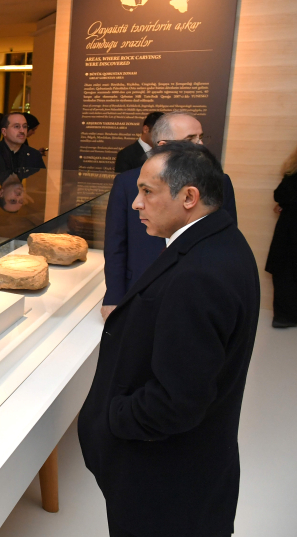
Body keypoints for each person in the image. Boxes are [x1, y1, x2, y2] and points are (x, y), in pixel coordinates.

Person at [79, 141, 260, 537]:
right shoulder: (220, 241)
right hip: (191, 474)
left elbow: (177, 402)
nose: (135, 204)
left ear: (189, 197)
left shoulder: (199, 274)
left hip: (166, 487)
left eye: (147, 192)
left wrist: (113, 418)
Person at [102, 112, 237, 319]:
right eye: (190, 139)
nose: (200, 144)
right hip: (140, 285)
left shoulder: (220, 182)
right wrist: (113, 296)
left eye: (201, 137)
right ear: (163, 145)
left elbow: (227, 240)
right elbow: (116, 242)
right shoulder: (127, 183)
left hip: (196, 291)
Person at [266, 145, 297, 328]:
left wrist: (285, 205)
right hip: (290, 228)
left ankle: (284, 317)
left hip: (288, 230)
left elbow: (281, 194)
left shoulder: (292, 173)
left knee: (284, 271)